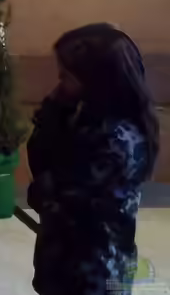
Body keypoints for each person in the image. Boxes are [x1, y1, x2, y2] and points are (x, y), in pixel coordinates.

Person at [27, 23, 159, 295]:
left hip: (95, 275)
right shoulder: (86, 118)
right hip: (64, 266)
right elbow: (41, 164)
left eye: (66, 77)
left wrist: (46, 186)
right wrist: (53, 113)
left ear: (97, 81)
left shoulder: (118, 139)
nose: (59, 85)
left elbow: (50, 193)